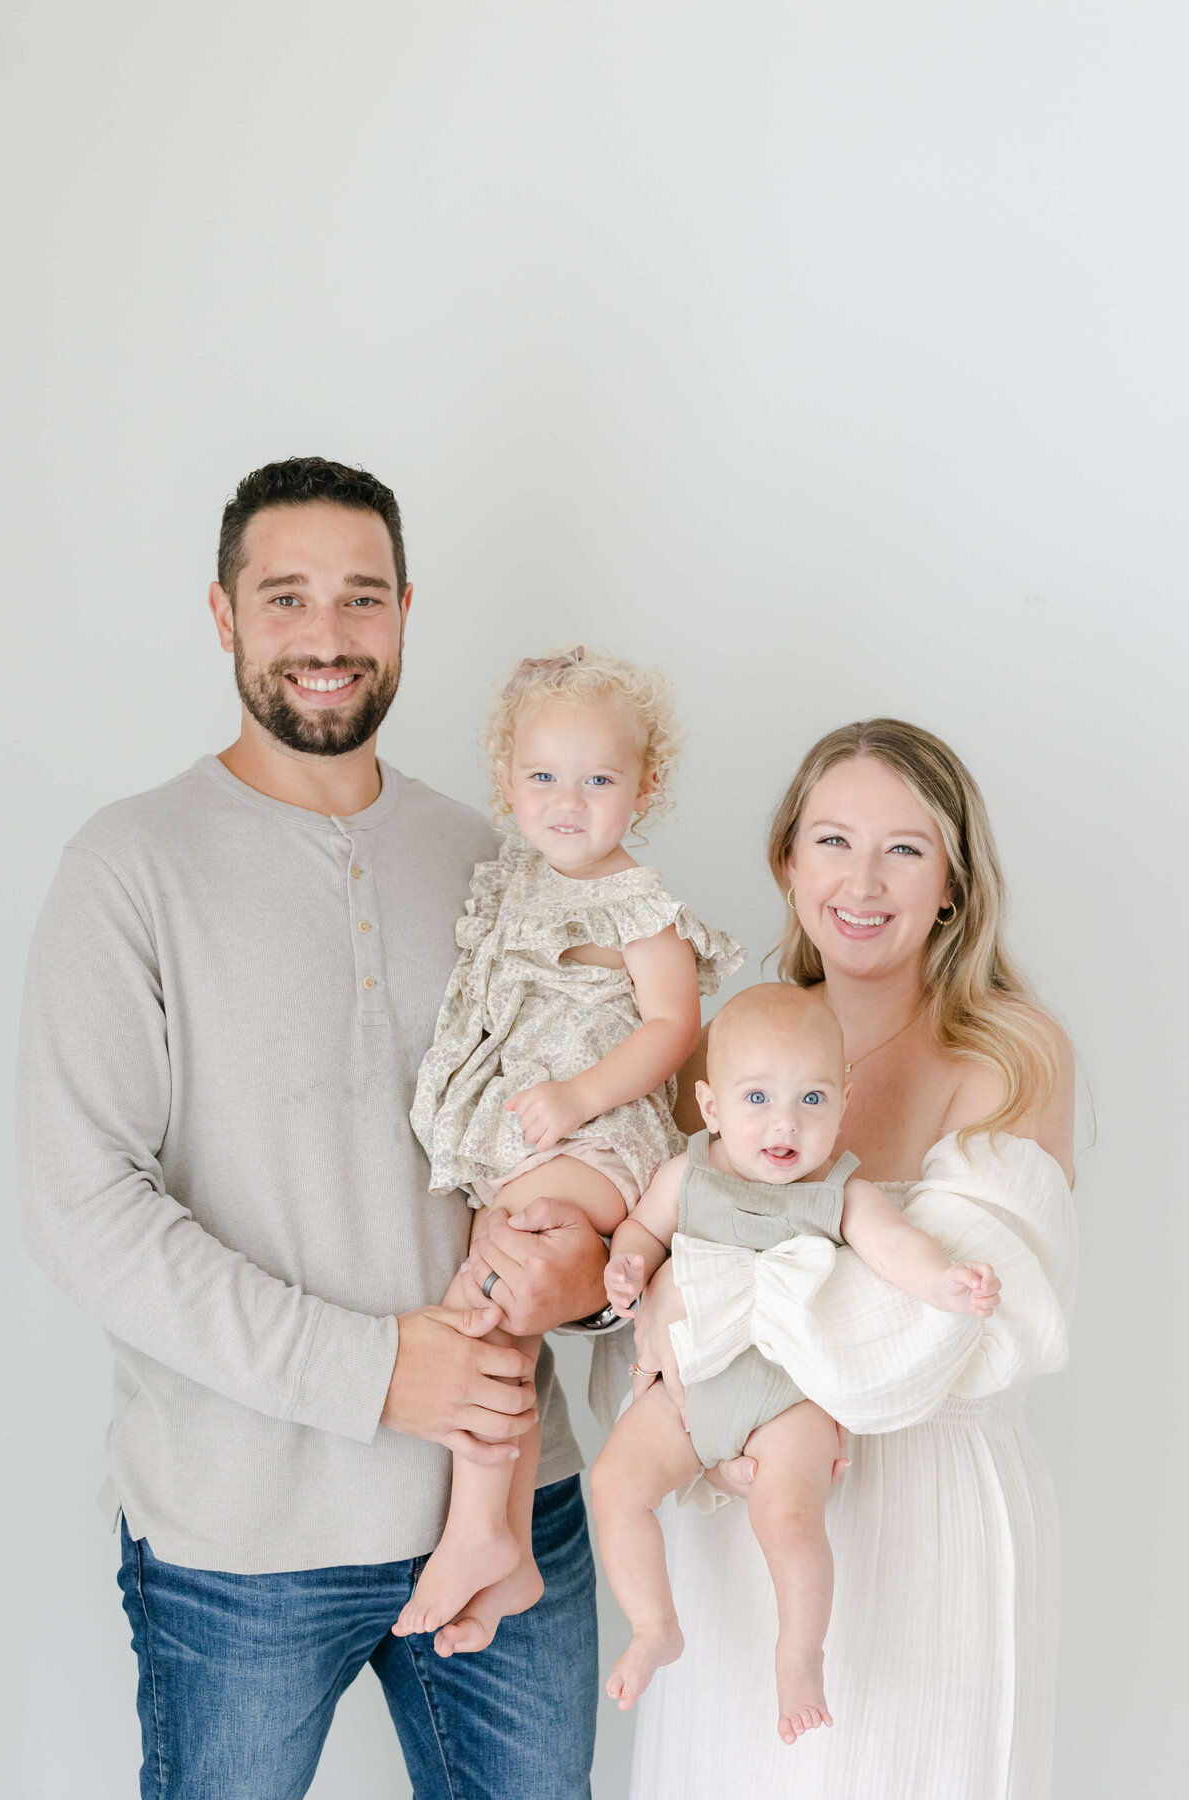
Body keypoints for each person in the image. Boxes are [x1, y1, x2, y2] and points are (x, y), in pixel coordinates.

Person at [16, 457, 612, 1800]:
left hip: (518, 1506)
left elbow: (592, 1147)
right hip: (241, 1544)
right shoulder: (130, 867)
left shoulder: (502, 856)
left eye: (359, 598)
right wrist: (368, 1373)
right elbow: (81, 1207)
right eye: (286, 598)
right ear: (224, 616)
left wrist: (593, 1303)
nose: (327, 637)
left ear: (406, 612)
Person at [623, 719, 1077, 1800]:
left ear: (955, 886)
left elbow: (936, 1340)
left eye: (905, 849)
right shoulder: (722, 1048)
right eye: (831, 841)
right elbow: (636, 1317)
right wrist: (691, 1390)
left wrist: (695, 1310)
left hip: (930, 1516)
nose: (861, 881)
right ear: (788, 862)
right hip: (737, 1513)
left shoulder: (1012, 1056)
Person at [398, 646, 743, 1650]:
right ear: (506, 780)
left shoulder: (637, 900)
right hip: (531, 1125)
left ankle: (477, 1533)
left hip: (597, 1130)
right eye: (544, 776)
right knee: (488, 1314)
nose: (568, 802)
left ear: (645, 788)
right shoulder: (512, 878)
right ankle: (503, 1541)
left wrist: (582, 1095)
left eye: (599, 781)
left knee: (498, 1291)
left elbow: (673, 1028)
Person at [592, 981, 1002, 1745]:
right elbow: (642, 1233)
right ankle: (655, 1625)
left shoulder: (842, 1191)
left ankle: (799, 1657)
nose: (785, 1124)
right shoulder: (689, 1177)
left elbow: (896, 1250)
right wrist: (629, 1269)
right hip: (692, 1389)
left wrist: (946, 1280)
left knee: (788, 1517)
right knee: (614, 1484)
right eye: (758, 1099)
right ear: (711, 1108)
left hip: (792, 1399)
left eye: (812, 1099)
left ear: (844, 1099)